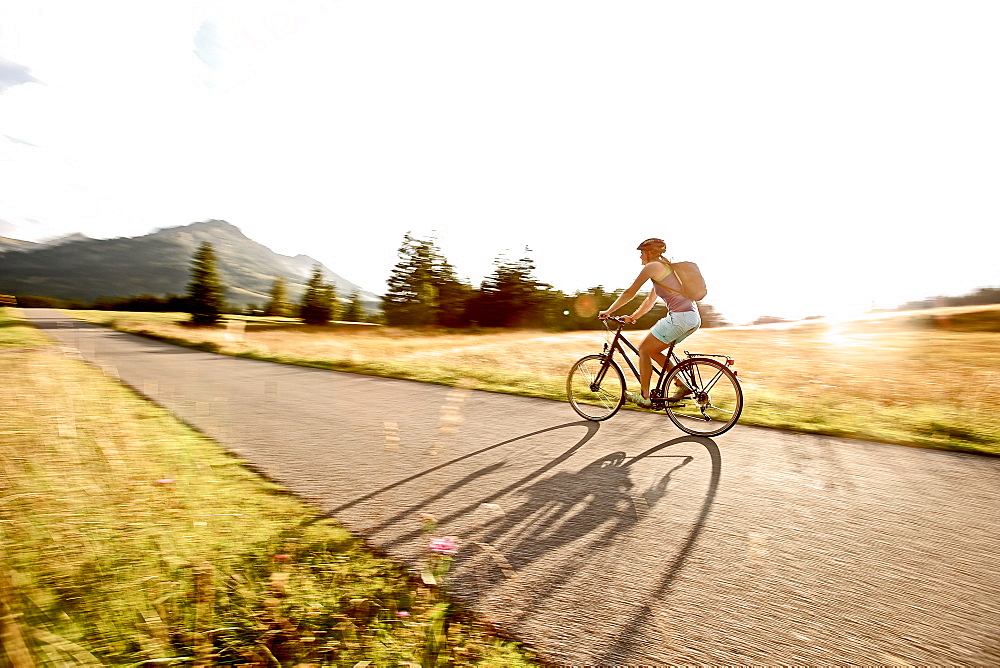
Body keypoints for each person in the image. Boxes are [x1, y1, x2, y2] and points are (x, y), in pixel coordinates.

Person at [598, 238, 701, 408]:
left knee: (644, 350)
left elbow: (630, 292)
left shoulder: (653, 267)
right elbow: (649, 301)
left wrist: (609, 311)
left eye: (641, 253)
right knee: (654, 351)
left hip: (680, 317)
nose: (640, 257)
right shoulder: (665, 269)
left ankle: (644, 395)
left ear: (650, 252)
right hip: (692, 318)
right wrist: (633, 317)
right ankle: (681, 383)